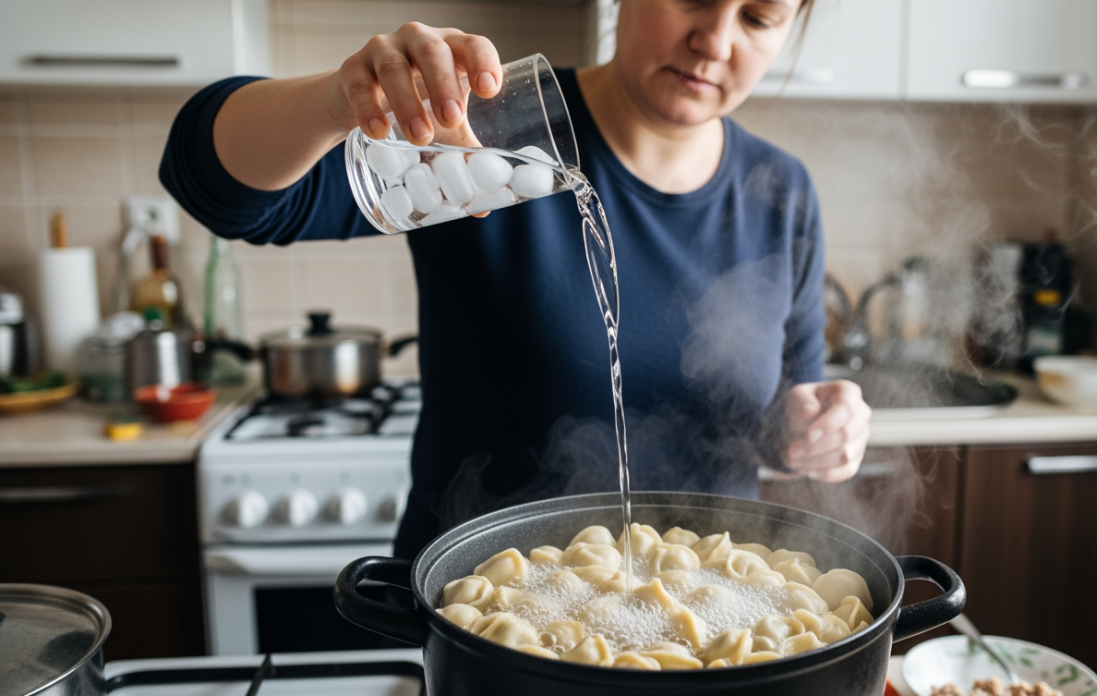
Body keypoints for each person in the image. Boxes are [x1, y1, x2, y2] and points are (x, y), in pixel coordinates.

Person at [161, 0, 871, 560]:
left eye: (758, 17)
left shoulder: (782, 192)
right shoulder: (489, 130)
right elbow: (225, 194)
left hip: (702, 627)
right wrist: (338, 101)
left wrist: (813, 431)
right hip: (484, 628)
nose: (715, 41)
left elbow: (779, 411)